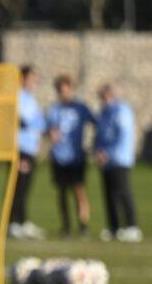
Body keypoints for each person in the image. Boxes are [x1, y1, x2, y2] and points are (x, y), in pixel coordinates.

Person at [44, 75, 96, 237]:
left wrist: (92, 146)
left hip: (77, 157)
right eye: (60, 91)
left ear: (71, 90)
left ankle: (83, 224)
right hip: (59, 156)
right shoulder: (53, 110)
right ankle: (66, 225)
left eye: (66, 90)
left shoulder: (80, 108)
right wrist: (50, 133)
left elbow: (95, 123)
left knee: (79, 190)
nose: (63, 93)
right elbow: (46, 129)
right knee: (62, 192)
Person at [95, 83, 142, 242]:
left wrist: (108, 153)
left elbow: (123, 136)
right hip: (106, 161)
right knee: (109, 194)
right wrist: (99, 152)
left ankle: (132, 226)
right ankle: (114, 227)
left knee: (123, 192)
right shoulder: (104, 113)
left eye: (105, 96)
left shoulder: (121, 111)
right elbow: (100, 136)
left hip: (120, 159)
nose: (103, 99)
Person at [11, 65, 47, 239]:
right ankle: (13, 222)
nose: (34, 82)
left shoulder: (31, 99)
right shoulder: (17, 96)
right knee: (18, 186)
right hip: (20, 148)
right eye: (32, 78)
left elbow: (40, 122)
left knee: (26, 186)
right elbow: (22, 121)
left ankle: (22, 221)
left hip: (31, 148)